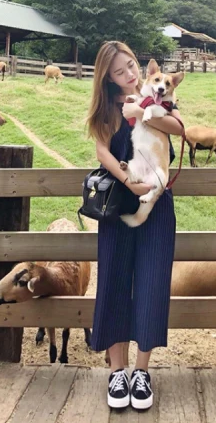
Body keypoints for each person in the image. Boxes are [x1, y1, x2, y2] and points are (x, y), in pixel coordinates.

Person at [86, 41, 184, 411]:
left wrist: (143, 108)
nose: (130, 74)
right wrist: (129, 181)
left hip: (157, 206)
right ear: (107, 79)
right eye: (119, 71)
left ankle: (142, 371)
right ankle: (117, 370)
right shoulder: (106, 109)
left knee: (152, 281)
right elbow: (102, 151)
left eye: (131, 65)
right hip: (117, 202)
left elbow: (177, 127)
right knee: (113, 280)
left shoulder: (156, 99)